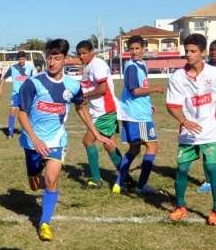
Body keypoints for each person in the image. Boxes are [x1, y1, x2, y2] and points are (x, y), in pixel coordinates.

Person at [18, 39, 114, 241]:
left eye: (57, 58)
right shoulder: (33, 83)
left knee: (52, 178)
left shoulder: (72, 85)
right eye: (49, 57)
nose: (52, 62)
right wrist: (34, 139)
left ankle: (44, 223)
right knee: (35, 185)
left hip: (56, 140)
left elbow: (81, 108)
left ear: (64, 59)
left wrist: (96, 134)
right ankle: (47, 189)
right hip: (33, 142)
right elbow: (22, 115)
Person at [165, 34, 216, 224]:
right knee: (182, 169)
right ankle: (180, 206)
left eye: (193, 51)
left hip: (211, 131)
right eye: (186, 51)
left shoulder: (213, 73)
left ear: (203, 53)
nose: (188, 55)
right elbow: (172, 105)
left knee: (212, 168)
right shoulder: (178, 77)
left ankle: (215, 211)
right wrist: (184, 121)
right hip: (188, 132)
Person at [112, 35, 164, 195]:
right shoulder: (132, 66)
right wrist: (154, 89)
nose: (134, 52)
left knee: (134, 150)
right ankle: (141, 186)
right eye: (131, 49)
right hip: (137, 116)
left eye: (137, 48)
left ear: (143, 49)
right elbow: (135, 91)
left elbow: (136, 91)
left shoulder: (141, 65)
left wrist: (149, 104)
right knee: (152, 147)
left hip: (135, 112)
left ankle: (118, 184)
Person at [76, 40, 124, 188]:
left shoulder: (97, 64)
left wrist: (85, 96)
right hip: (99, 112)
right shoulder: (87, 67)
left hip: (106, 111)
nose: (81, 56)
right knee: (109, 145)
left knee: (88, 141)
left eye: (84, 53)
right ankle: (125, 177)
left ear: (92, 52)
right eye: (79, 54)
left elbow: (103, 89)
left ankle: (96, 180)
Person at [0, 50, 35, 138]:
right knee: (12, 112)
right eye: (19, 59)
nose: (21, 61)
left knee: (26, 114)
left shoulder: (30, 67)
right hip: (16, 94)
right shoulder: (13, 68)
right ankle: (10, 133)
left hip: (26, 95)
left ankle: (26, 132)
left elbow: (34, 80)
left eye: (22, 59)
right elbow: (4, 78)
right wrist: (0, 88)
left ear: (25, 59)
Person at [196, 40, 216, 194]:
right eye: (212, 50)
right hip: (208, 116)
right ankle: (209, 180)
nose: (214, 52)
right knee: (207, 149)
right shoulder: (204, 69)